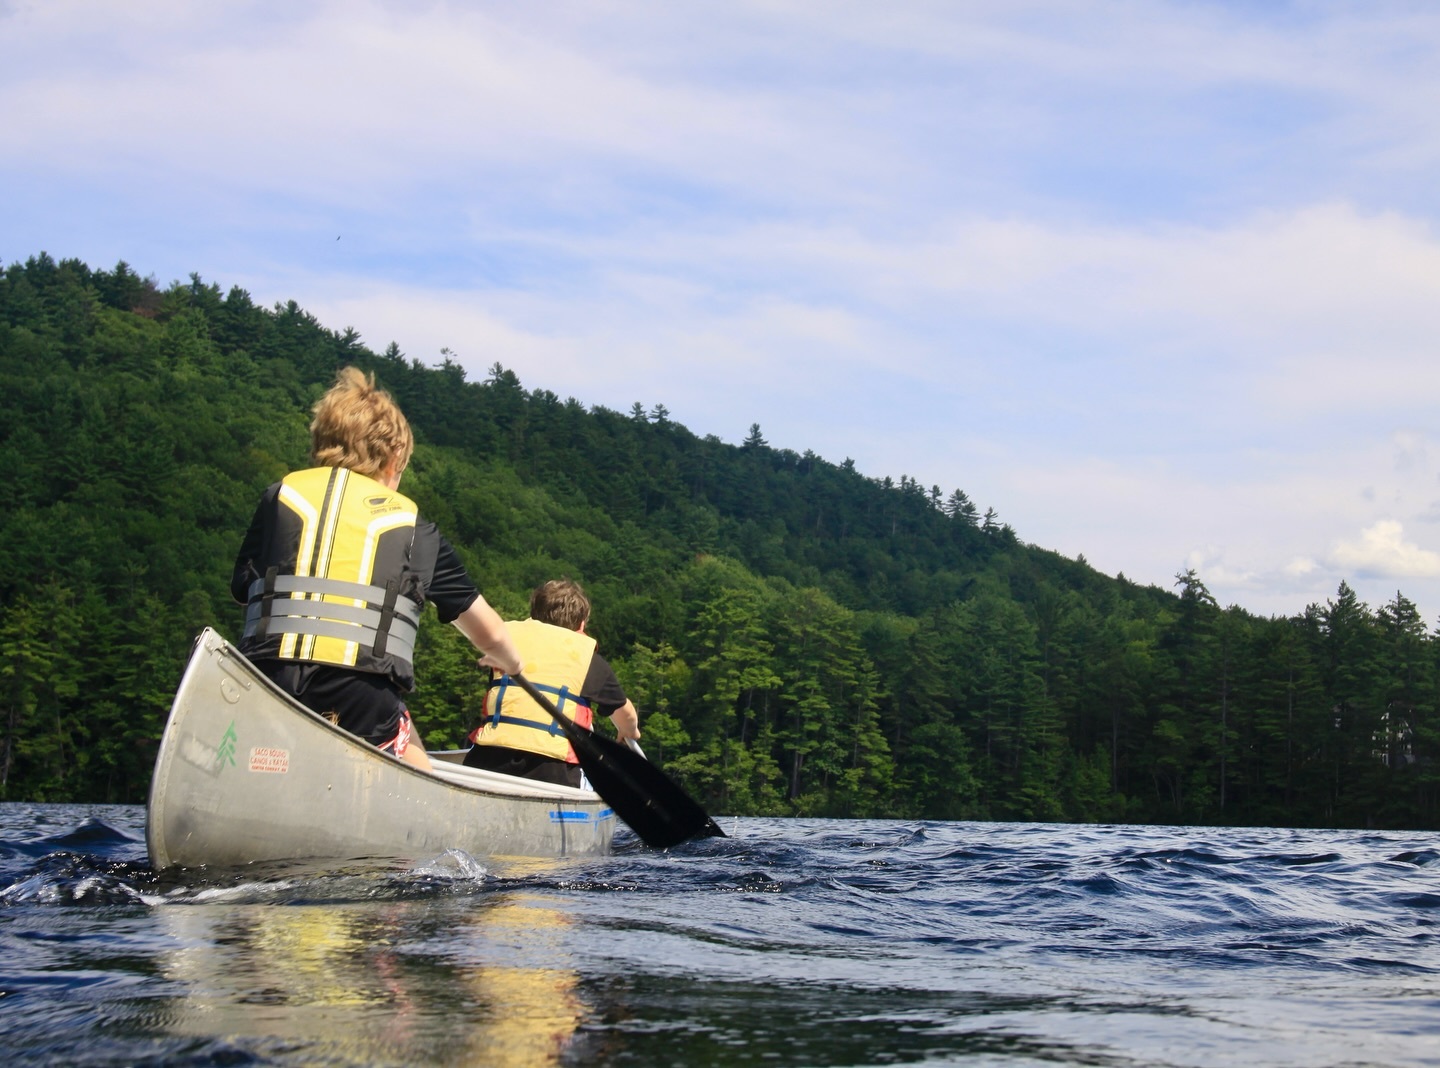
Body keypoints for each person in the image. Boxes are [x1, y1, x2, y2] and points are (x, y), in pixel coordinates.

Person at [231, 366, 523, 771]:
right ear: (393, 459)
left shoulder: (278, 498)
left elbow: (242, 585)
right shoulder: (413, 528)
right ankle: (422, 806)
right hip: (359, 696)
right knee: (411, 740)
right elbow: (489, 632)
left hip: (266, 683)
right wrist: (511, 663)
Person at [464, 578, 641, 788]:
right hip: (551, 769)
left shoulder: (506, 643)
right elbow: (625, 713)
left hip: (487, 758)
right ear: (581, 623)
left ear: (533, 615)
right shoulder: (586, 659)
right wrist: (630, 731)